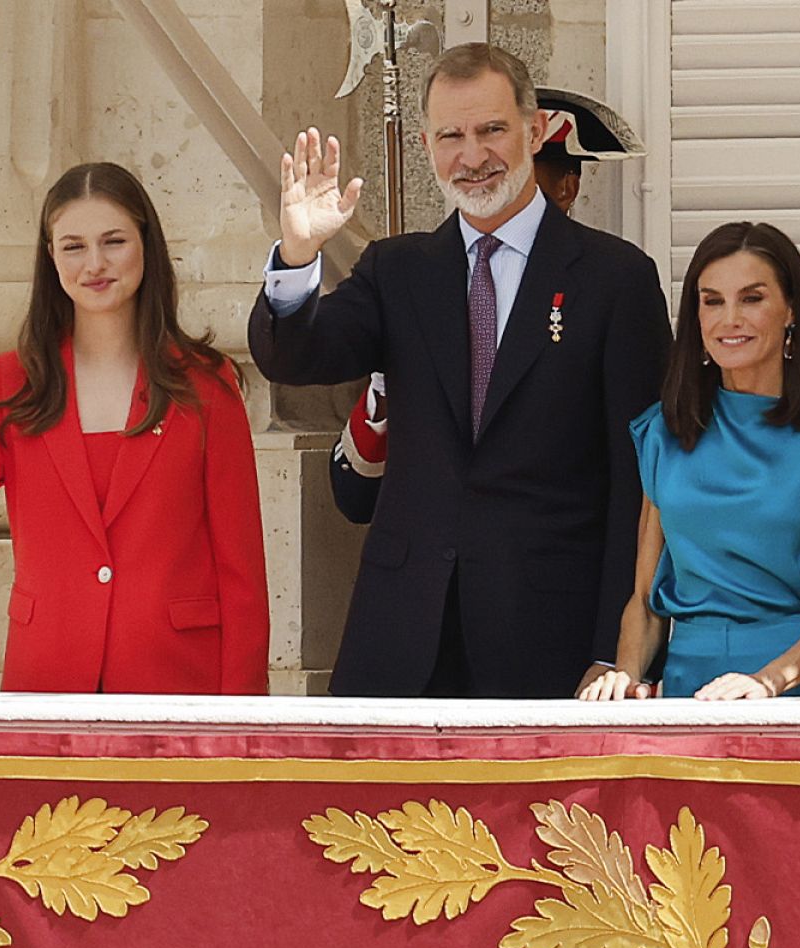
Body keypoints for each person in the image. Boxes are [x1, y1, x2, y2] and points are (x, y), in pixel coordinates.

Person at [249, 43, 671, 698]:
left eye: (491, 130)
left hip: (550, 644)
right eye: (451, 136)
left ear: (534, 131)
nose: (472, 157)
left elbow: (639, 486)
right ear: (426, 144)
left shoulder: (617, 280)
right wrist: (299, 253)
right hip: (400, 639)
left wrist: (619, 652)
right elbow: (296, 357)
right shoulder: (398, 271)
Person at [0, 162, 268, 694]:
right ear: (51, 257)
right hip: (48, 681)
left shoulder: (205, 384)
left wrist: (242, 722)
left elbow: (241, 571)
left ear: (146, 245)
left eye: (113, 241)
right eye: (73, 246)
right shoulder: (15, 380)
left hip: (179, 683)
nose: (95, 264)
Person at [579, 222, 800, 700]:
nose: (729, 318)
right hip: (685, 692)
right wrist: (627, 676)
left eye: (751, 299)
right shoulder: (664, 430)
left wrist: (769, 682)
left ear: (791, 309)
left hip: (793, 691)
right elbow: (646, 601)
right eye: (712, 300)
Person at [328, 87, 647, 525]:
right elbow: (355, 494)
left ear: (567, 188)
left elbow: (633, 470)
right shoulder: (422, 284)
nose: (490, 181)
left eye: (522, 177)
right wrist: (384, 390)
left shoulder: (608, 285)